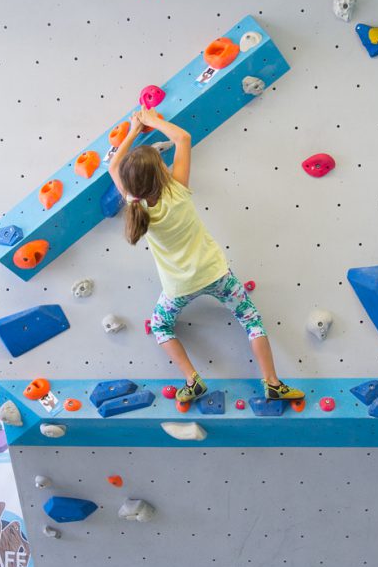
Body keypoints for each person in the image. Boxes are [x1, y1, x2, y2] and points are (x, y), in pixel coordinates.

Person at [109, 107, 304, 403]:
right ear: (162, 173)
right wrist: (150, 121)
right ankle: (272, 383)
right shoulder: (177, 190)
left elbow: (113, 167)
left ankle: (192, 380)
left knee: (161, 326)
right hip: (216, 273)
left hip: (178, 287)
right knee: (251, 320)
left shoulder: (137, 207)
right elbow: (183, 137)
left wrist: (132, 131)